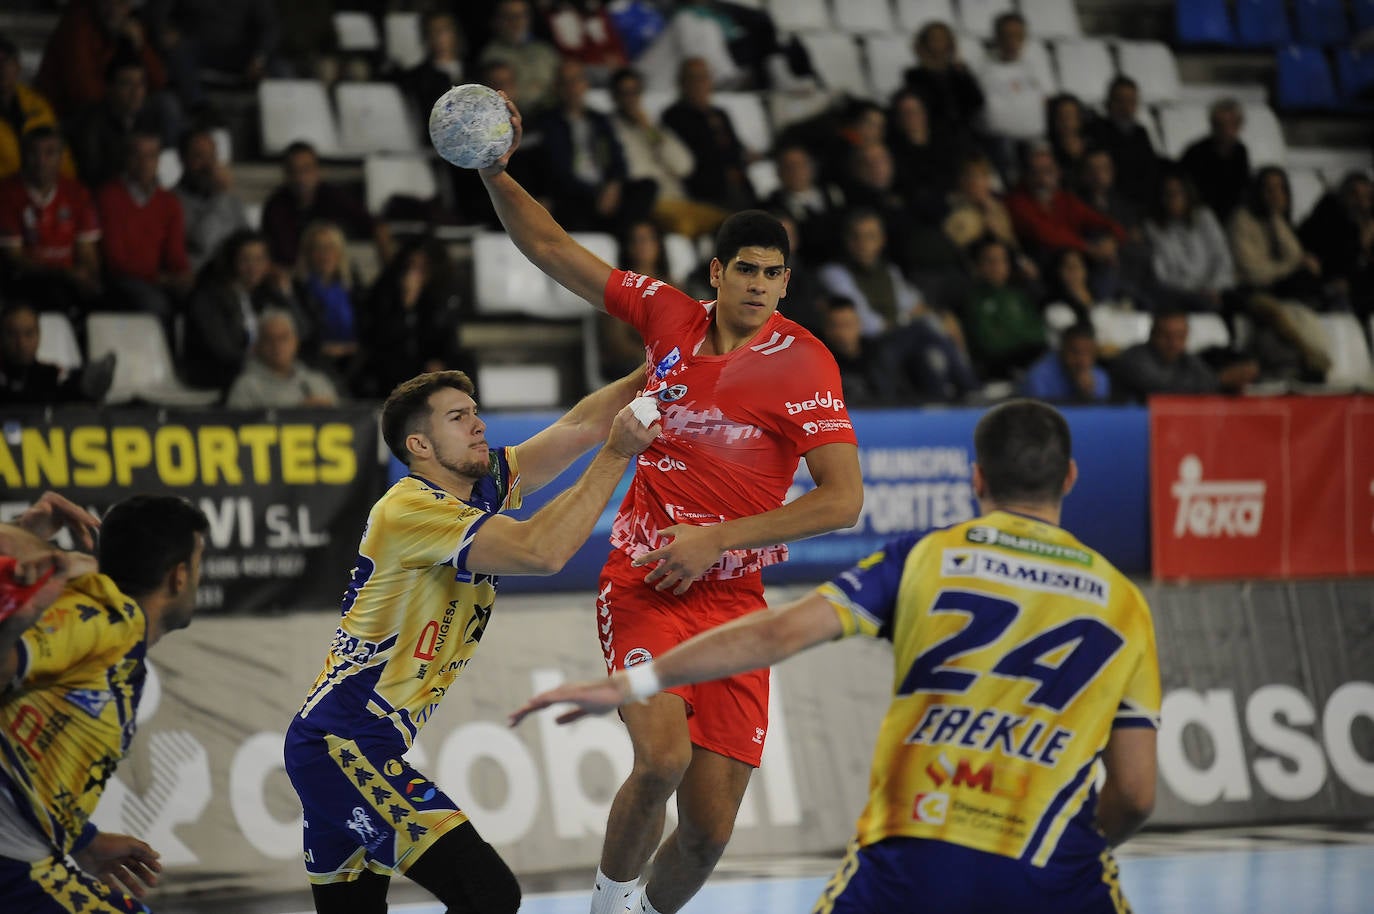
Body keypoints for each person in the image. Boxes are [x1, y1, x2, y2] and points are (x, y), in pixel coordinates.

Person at [513, 398, 1161, 914]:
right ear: (1071, 476)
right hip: (1056, 869)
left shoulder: (925, 559)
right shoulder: (1125, 602)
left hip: (914, 857)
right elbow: (1133, 794)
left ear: (978, 478)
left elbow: (778, 635)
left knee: (709, 829)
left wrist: (637, 679)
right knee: (669, 769)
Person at [478, 95, 864, 914]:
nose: (758, 286)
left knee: (708, 833)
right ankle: (605, 908)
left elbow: (842, 502)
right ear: (715, 274)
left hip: (734, 600)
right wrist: (491, 169)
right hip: (645, 583)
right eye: (744, 271)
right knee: (660, 761)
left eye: (773, 274)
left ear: (786, 283)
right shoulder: (667, 317)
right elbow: (551, 248)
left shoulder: (806, 365)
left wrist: (718, 537)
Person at [283, 369, 661, 914]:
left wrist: (664, 360)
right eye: (459, 418)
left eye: (475, 412)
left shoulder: (476, 489)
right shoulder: (410, 507)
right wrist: (616, 454)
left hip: (347, 744)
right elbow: (542, 551)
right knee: (489, 895)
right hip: (345, 744)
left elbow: (580, 424)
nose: (479, 425)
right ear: (420, 445)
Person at [1, 494, 211, 913]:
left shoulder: (112, 632)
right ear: (180, 575)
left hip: (29, 852)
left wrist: (84, 841)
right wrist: (18, 536)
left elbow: (35, 742)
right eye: (199, 562)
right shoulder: (106, 617)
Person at [0, 126, 103, 324]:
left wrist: (89, 277)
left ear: (61, 157)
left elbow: (87, 252)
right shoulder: (6, 194)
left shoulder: (77, 193)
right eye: (33, 153)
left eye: (49, 153)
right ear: (22, 155)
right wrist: (64, 273)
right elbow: (15, 259)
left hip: (69, 279)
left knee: (107, 302)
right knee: (54, 295)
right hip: (26, 280)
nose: (41, 161)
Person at [1111, 308, 1259, 400]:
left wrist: (1232, 385)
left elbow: (1208, 382)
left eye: (1180, 337)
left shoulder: (1187, 360)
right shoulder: (1134, 359)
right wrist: (1221, 380)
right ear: (1152, 334)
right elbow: (1162, 392)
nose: (1173, 343)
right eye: (1166, 336)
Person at [0, 300, 115, 405]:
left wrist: (88, 384)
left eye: (29, 334)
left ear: (39, 336)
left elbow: (75, 387)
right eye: (11, 334)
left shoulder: (50, 376)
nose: (21, 343)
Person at [224, 307, 339, 409]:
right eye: (269, 339)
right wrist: (299, 416)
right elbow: (240, 429)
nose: (277, 346)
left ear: (295, 342)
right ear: (258, 346)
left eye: (283, 338)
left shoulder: (317, 382)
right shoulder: (246, 388)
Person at [174, 125, 248, 273]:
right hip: (200, 280)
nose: (209, 165)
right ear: (182, 159)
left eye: (212, 156)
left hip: (235, 279)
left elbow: (246, 243)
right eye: (199, 156)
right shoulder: (171, 201)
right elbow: (202, 242)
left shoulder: (231, 199)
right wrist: (219, 195)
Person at [1179, 98, 1251, 223]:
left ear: (1239, 125)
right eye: (1220, 125)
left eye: (1231, 124)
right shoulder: (1195, 152)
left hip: (1231, 215)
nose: (1225, 130)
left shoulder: (1241, 152)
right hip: (1199, 215)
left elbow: (1242, 188)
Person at [1020, 320, 1111, 402]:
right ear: (1062, 350)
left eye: (1088, 352)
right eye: (1076, 352)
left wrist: (1088, 394)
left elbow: (1099, 416)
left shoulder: (1100, 378)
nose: (1082, 360)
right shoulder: (1038, 378)